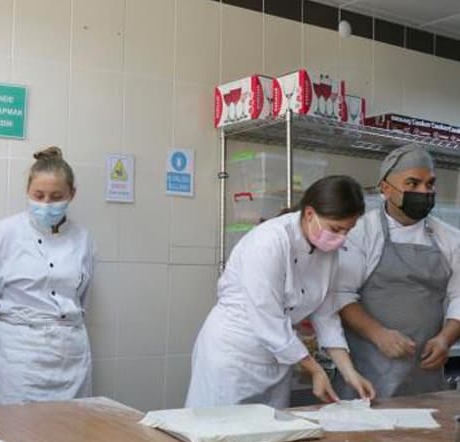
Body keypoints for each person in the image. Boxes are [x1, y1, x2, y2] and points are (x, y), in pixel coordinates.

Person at [185, 175, 376, 409]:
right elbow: (268, 318)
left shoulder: (328, 252)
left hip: (280, 357)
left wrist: (349, 373)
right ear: (309, 214)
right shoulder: (269, 242)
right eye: (336, 229)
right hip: (234, 356)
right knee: (219, 434)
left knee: (271, 437)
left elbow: (325, 314)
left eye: (348, 230)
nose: (341, 238)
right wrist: (314, 369)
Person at [0, 146, 95, 405]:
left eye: (56, 196)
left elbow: (83, 296)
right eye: (39, 195)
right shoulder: (3, 234)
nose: (46, 204)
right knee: (14, 430)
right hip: (17, 354)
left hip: (69, 352)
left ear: (72, 194)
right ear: (27, 192)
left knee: (69, 431)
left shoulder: (82, 238)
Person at [332, 144, 460, 398]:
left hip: (425, 373)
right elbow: (342, 294)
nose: (424, 191)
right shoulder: (361, 233)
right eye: (412, 183)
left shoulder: (450, 238)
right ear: (385, 188)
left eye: (430, 184)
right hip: (366, 372)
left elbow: (459, 296)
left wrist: (446, 339)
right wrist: (378, 334)